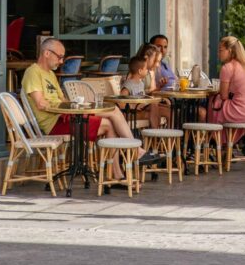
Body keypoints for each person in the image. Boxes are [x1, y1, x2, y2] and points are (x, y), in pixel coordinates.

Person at [21, 38, 159, 178]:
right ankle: (135, 152)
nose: (61, 61)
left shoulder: (50, 74)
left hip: (66, 117)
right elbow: (40, 103)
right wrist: (68, 107)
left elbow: (63, 100)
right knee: (113, 111)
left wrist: (77, 104)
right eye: (60, 57)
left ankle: (116, 174)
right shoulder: (33, 73)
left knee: (111, 121)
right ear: (46, 53)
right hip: (54, 123)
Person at [203, 35, 245, 138]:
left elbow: (223, 96)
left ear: (230, 51)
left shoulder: (228, 67)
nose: (218, 54)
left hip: (244, 114)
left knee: (215, 101)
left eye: (221, 50)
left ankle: (215, 139)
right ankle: (228, 142)